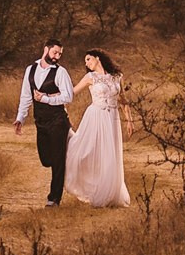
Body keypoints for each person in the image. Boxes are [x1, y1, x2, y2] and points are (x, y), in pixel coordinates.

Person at [64, 49, 131, 208]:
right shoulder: (90, 77)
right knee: (86, 151)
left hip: (112, 118)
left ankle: (109, 193)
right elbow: (71, 93)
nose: (86, 63)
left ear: (97, 58)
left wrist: (129, 121)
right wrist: (57, 104)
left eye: (88, 59)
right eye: (85, 61)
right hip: (95, 116)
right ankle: (87, 184)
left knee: (110, 155)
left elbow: (123, 100)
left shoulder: (117, 76)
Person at [13, 39, 74, 206]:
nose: (57, 57)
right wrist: (20, 118)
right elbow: (26, 96)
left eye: (60, 54)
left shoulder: (61, 72)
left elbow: (68, 96)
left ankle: (54, 198)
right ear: (45, 49)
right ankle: (63, 162)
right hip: (40, 121)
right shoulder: (30, 70)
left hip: (58, 120)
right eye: (55, 52)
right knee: (46, 159)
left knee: (57, 160)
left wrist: (46, 99)